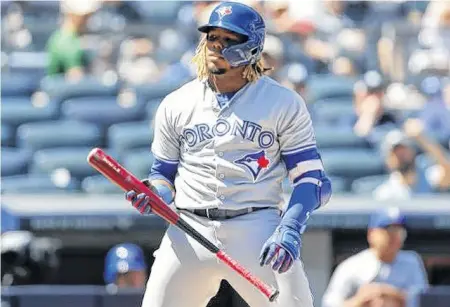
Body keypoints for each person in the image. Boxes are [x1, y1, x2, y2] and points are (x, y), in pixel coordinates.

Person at [124, 2, 332, 307]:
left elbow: (312, 181)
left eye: (228, 39)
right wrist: (152, 193)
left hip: (257, 227)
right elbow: (163, 176)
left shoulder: (283, 102)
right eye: (212, 37)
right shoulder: (177, 103)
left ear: (251, 48)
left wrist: (290, 227)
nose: (216, 46)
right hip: (189, 227)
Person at [322, 207, 428, 307]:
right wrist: (360, 300)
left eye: (399, 232)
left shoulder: (412, 261)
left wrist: (387, 292)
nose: (395, 237)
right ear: (371, 234)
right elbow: (329, 304)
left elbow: (422, 300)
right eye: (389, 231)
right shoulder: (351, 266)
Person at [373, 118, 450, 200]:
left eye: (403, 151)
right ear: (387, 160)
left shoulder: (429, 177)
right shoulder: (385, 193)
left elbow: (448, 171)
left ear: (412, 152)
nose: (401, 156)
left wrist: (421, 138)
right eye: (395, 154)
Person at [46, 0, 100, 80]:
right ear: (71, 15)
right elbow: (76, 78)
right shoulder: (66, 42)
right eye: (85, 16)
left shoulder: (60, 37)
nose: (88, 20)